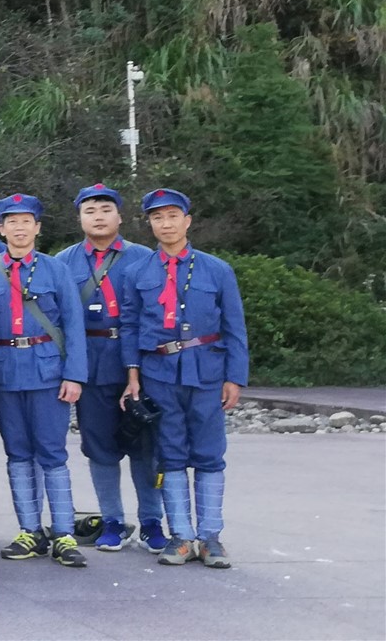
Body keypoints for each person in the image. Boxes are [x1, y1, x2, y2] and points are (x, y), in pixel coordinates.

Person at [123, 188, 248, 570]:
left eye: (173, 216)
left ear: (187, 221)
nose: (166, 224)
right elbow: (129, 326)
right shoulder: (137, 271)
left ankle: (210, 538)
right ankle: (180, 535)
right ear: (149, 224)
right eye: (157, 217)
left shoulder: (216, 269)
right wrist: (132, 375)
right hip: (159, 373)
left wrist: (235, 377)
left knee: (209, 453)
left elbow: (234, 326)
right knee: (169, 453)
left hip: (207, 371)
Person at [0, 194, 90, 568]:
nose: (19, 228)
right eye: (12, 221)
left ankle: (63, 533)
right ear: (1, 228)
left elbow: (73, 324)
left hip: (47, 372)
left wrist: (74, 375)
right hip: (4, 372)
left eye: (26, 221)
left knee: (52, 453)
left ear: (38, 227)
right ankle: (29, 530)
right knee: (17, 453)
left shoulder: (55, 269)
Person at [54, 183, 163, 553]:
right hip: (90, 361)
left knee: (145, 445)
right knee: (99, 445)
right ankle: (112, 520)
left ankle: (152, 521)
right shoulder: (64, 261)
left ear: (119, 216)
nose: (98, 217)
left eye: (105, 210)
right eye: (90, 211)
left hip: (139, 362)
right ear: (79, 218)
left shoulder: (144, 257)